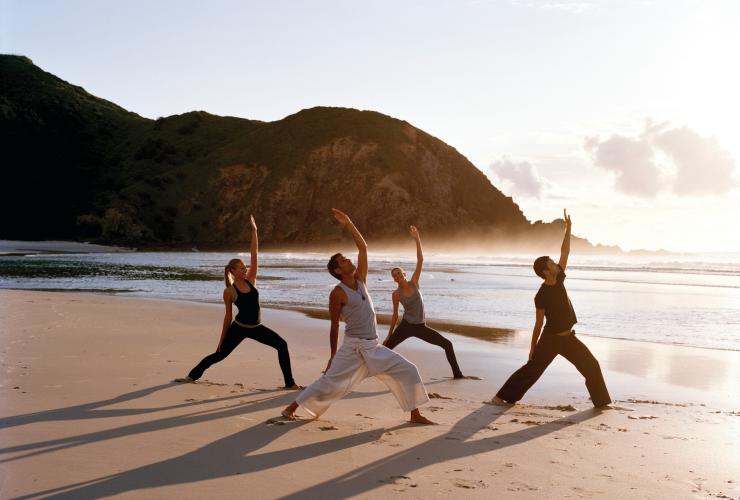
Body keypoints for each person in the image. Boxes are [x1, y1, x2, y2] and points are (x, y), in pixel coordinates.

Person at [282, 209, 434, 424]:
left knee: (408, 369)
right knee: (329, 381)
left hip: (373, 346)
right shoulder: (337, 293)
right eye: (343, 261)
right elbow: (334, 326)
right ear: (337, 270)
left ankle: (415, 414)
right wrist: (333, 355)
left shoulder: (361, 279)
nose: (349, 260)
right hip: (353, 348)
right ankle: (291, 408)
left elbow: (363, 247)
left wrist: (349, 223)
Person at [491, 209, 611, 408]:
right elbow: (538, 324)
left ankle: (601, 403)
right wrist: (532, 348)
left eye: (554, 262)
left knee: (592, 365)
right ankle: (501, 397)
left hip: (568, 338)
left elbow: (565, 252)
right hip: (550, 339)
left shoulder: (559, 279)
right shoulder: (541, 295)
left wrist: (569, 228)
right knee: (532, 370)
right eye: (552, 263)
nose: (556, 263)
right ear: (546, 271)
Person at [175, 215, 301, 390]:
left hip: (257, 327)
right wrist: (221, 339)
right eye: (241, 268)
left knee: (282, 345)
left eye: (245, 267)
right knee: (219, 355)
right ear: (233, 271)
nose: (245, 269)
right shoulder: (229, 291)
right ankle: (191, 375)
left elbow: (254, 255)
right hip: (239, 328)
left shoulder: (251, 280)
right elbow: (227, 316)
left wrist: (255, 231)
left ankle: (290, 383)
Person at [383, 225, 467, 379]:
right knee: (385, 348)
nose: (397, 277)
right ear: (394, 278)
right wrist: (389, 335)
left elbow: (420, 260)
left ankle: (458, 374)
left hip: (421, 327)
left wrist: (417, 239)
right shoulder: (396, 294)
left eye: (399, 274)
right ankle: (370, 370)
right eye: (395, 276)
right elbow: (395, 316)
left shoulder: (414, 282)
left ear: (404, 274)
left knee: (447, 344)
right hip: (406, 326)